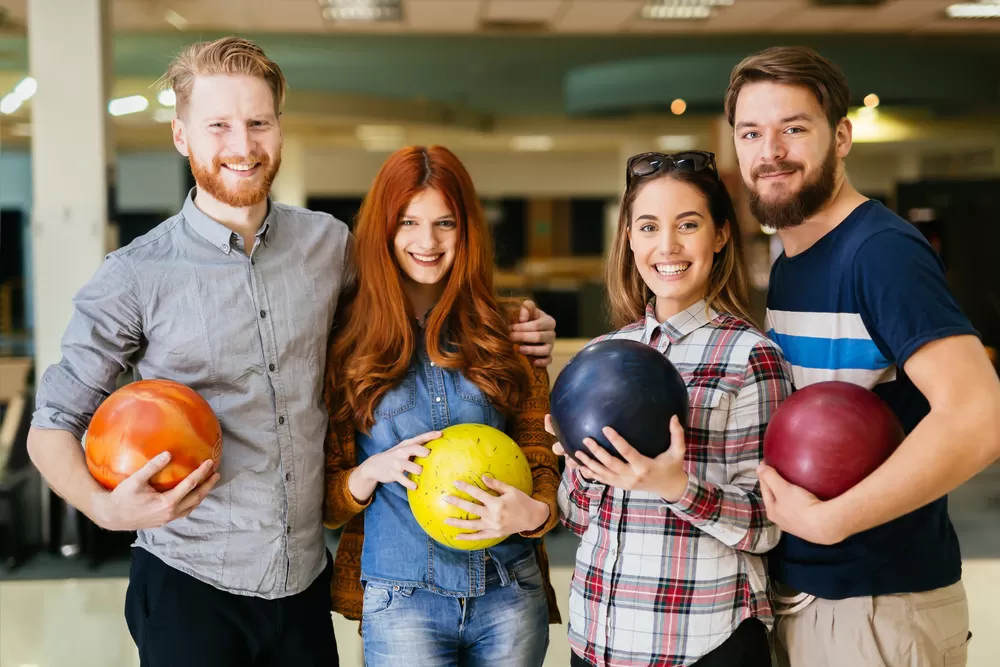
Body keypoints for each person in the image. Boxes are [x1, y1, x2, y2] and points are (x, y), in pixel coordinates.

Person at [25, 37, 556, 667]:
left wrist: (516, 322)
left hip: (303, 584)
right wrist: (105, 507)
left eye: (258, 123)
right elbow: (52, 425)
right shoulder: (135, 275)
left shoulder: (329, 247)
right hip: (190, 581)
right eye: (218, 125)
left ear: (278, 128)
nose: (242, 146)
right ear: (180, 135)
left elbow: (418, 298)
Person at [724, 45, 1000, 667]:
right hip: (810, 596)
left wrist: (830, 522)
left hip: (878, 606)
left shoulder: (880, 253)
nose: (770, 151)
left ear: (841, 136)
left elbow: (979, 417)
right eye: (751, 132)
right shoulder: (792, 258)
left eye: (794, 128)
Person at [320, 144, 562, 667]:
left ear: (467, 230)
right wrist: (372, 471)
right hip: (401, 599)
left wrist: (536, 512)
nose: (427, 242)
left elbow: (540, 449)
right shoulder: (342, 341)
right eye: (408, 222)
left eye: (445, 223)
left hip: (508, 590)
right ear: (383, 231)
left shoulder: (510, 329)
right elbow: (326, 500)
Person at [553, 149, 794, 667]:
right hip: (599, 638)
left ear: (721, 235)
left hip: (704, 642)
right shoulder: (603, 354)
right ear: (629, 239)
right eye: (647, 227)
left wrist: (675, 486)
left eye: (688, 224)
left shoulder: (751, 357)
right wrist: (581, 466)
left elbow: (766, 526)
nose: (667, 246)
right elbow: (575, 517)